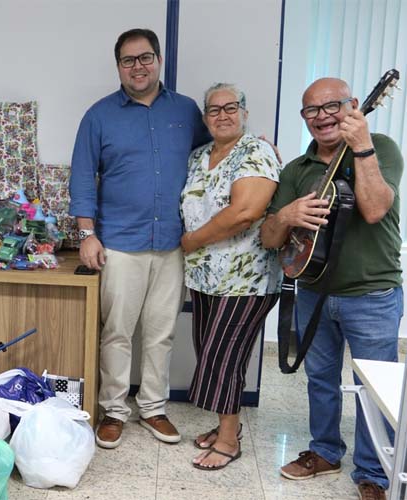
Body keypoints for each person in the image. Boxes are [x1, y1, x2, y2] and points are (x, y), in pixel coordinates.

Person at [261, 77, 403, 500]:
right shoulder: (296, 170)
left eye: (332, 106)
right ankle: (324, 451)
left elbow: (375, 209)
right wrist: (287, 213)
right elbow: (269, 238)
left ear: (354, 106)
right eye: (311, 110)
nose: (322, 116)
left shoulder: (381, 148)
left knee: (373, 387)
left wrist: (361, 147)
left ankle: (375, 473)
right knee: (320, 379)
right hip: (314, 291)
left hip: (372, 293)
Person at [69, 28, 211, 448]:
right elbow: (82, 177)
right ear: (118, 66)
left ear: (159, 60)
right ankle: (113, 410)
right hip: (119, 243)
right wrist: (87, 234)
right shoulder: (98, 116)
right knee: (116, 331)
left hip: (173, 243)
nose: (138, 66)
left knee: (161, 332)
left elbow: (214, 155)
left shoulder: (186, 111)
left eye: (145, 57)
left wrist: (256, 150)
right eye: (129, 60)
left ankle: (153, 408)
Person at [179, 83, 281, 470]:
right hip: (205, 277)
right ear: (205, 118)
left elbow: (244, 213)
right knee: (211, 351)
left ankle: (227, 440)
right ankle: (227, 427)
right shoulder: (199, 156)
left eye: (231, 107)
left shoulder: (255, 152)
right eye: (214, 110)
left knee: (223, 356)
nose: (222, 115)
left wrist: (192, 240)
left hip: (247, 278)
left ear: (245, 111)